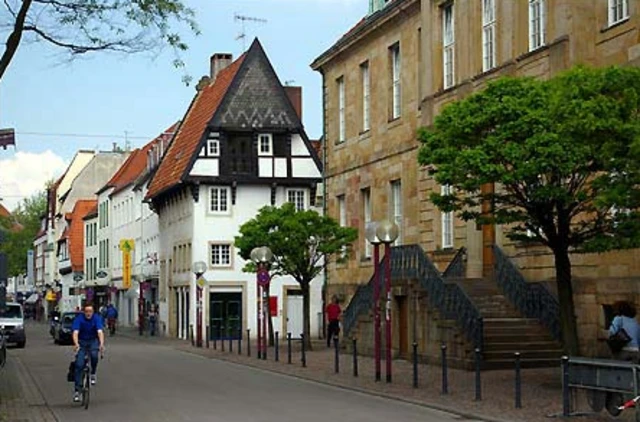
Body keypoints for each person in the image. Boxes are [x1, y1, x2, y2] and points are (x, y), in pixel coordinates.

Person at [71, 304, 105, 403]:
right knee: (79, 364)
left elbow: (100, 332)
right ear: (84, 312)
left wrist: (101, 344)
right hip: (82, 342)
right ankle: (77, 391)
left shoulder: (96, 318)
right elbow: (75, 333)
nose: (88, 314)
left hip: (93, 341)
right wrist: (76, 344)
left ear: (93, 312)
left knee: (94, 355)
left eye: (90, 311)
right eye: (86, 311)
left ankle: (93, 373)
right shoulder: (79, 319)